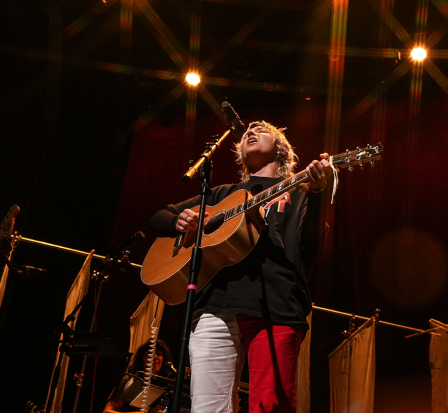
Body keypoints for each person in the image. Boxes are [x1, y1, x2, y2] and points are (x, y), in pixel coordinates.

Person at [149, 120, 333, 413]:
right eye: (248, 129)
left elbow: (311, 245)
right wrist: (178, 222)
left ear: (281, 149)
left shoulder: (300, 190)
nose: (251, 130)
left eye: (261, 130)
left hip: (274, 304)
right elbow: (160, 217)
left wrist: (319, 192)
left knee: (270, 406)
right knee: (207, 408)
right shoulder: (222, 195)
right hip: (215, 304)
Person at [104, 339, 176, 413]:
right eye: (149, 353)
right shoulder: (130, 381)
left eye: (158, 354)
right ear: (141, 360)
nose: (154, 356)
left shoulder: (166, 386)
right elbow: (107, 411)